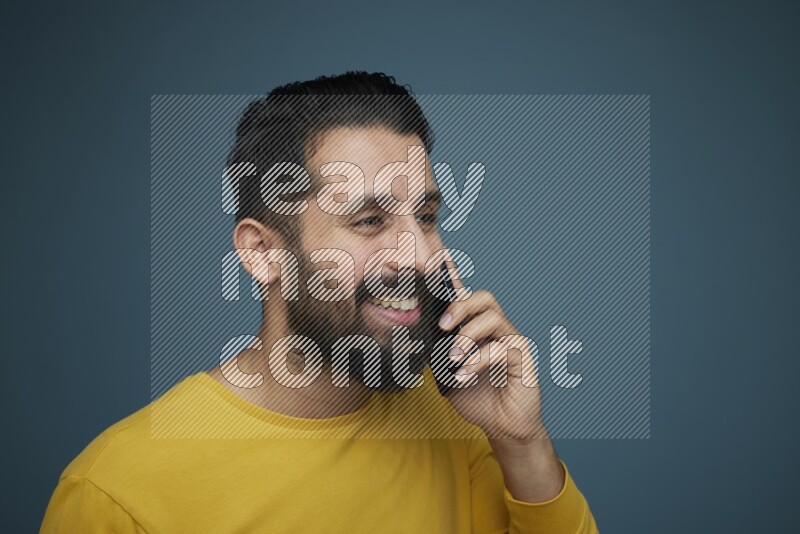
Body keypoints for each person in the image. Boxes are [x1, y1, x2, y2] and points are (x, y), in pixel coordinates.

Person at [41, 71, 599, 533]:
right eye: (368, 222)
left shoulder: (453, 418)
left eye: (426, 218)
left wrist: (522, 445)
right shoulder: (115, 493)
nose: (416, 255)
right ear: (263, 253)